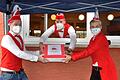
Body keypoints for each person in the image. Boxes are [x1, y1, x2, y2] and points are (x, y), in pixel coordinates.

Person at [64, 10, 118, 80]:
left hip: (103, 69)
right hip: (96, 68)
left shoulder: (100, 38)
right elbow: (88, 50)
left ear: (101, 27)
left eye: (97, 26)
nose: (94, 28)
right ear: (90, 28)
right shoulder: (93, 38)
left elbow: (88, 51)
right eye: (92, 26)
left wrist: (72, 57)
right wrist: (71, 53)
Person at [0, 5, 48, 80]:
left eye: (20, 24)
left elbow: (25, 51)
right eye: (15, 24)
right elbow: (19, 53)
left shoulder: (19, 38)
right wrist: (37, 58)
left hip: (20, 72)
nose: (18, 27)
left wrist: (39, 53)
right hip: (8, 75)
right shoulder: (7, 38)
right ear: (10, 24)